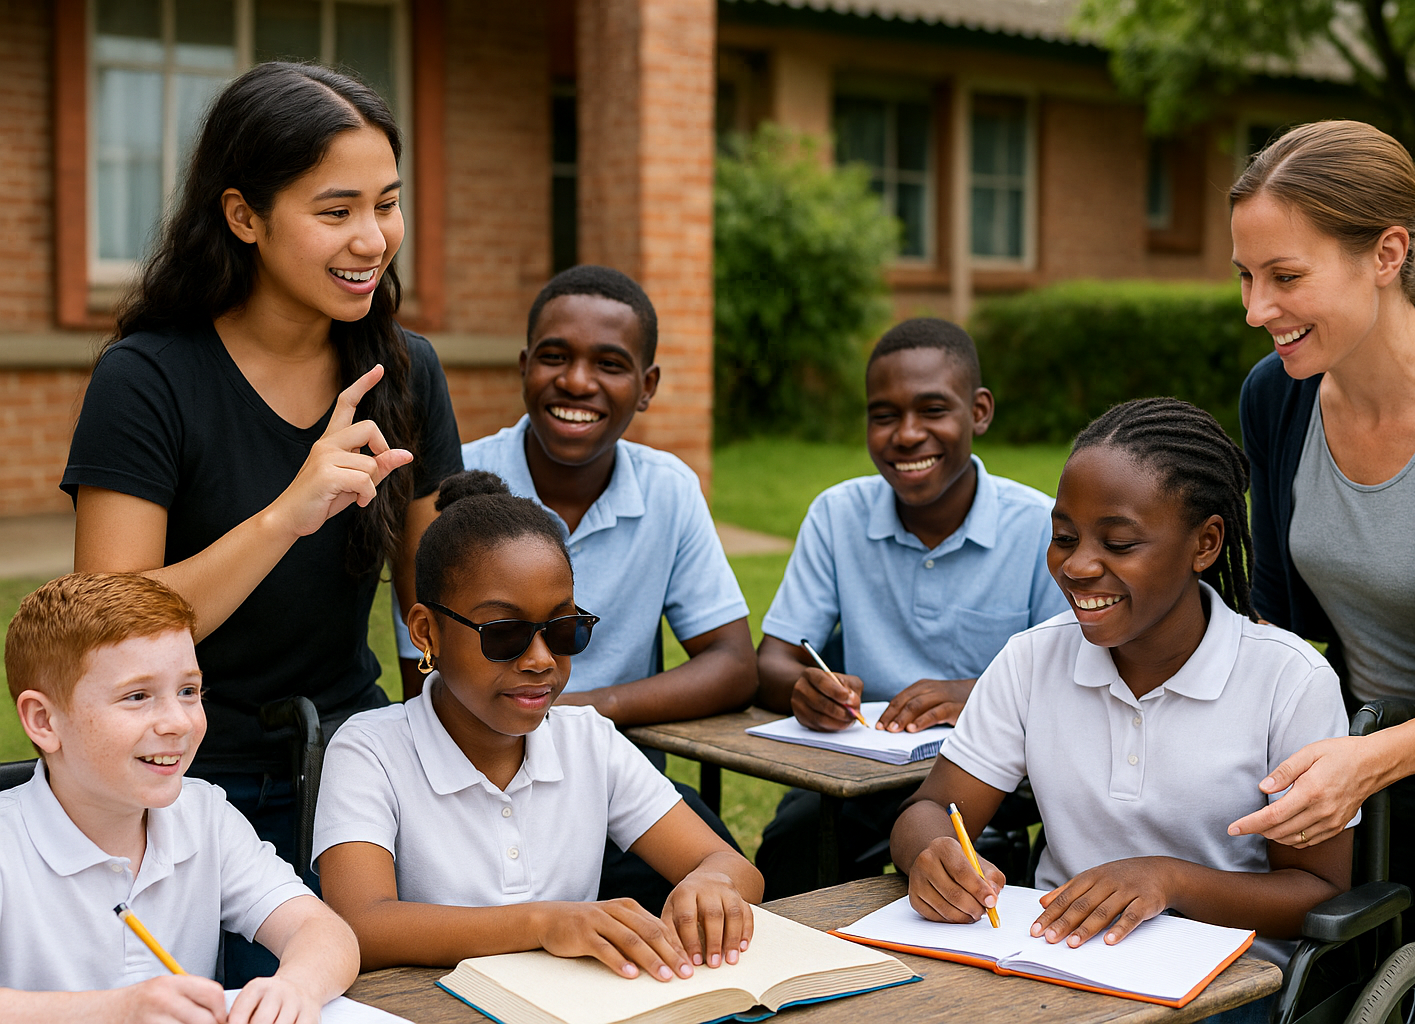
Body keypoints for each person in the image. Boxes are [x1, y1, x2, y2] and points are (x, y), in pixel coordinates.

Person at [60, 63, 462, 983]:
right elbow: (105, 630)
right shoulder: (148, 379)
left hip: (356, 766)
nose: (373, 239)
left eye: (388, 204)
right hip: (183, 783)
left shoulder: (407, 371)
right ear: (244, 216)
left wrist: (438, 751)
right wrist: (289, 512)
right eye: (336, 211)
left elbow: (432, 607)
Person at [891, 398, 1354, 1024]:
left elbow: (1318, 893)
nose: (1078, 565)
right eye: (1064, 538)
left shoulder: (1288, 681)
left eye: (1119, 542)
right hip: (1053, 962)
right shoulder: (1032, 660)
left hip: (1230, 984)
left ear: (1206, 543)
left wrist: (1170, 881)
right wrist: (933, 854)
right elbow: (928, 809)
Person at [1228, 120, 1415, 1022]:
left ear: (1387, 254)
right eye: (1246, 276)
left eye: (1285, 278)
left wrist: (1369, 762)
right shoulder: (1275, 398)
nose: (1256, 308)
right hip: (1349, 763)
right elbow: (1275, 622)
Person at [390, 264, 754, 911]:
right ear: (524, 365)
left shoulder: (668, 488)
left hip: (619, 788)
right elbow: (425, 676)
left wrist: (583, 708)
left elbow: (732, 664)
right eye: (555, 357)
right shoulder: (456, 488)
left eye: (609, 364)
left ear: (647, 388)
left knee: (722, 901)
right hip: (475, 792)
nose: (577, 381)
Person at [314, 472, 763, 978]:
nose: (540, 659)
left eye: (562, 629)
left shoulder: (588, 742)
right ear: (427, 632)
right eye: (504, 634)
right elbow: (360, 925)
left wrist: (711, 884)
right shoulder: (369, 751)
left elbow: (735, 868)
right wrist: (544, 923)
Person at [754, 318, 1066, 898]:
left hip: (992, 778)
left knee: (961, 874)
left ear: (979, 411)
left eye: (932, 410)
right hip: (857, 772)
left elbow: (1076, 678)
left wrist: (978, 693)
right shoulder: (837, 515)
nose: (906, 434)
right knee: (792, 850)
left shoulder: (1039, 528)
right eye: (884, 415)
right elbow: (771, 661)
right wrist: (803, 688)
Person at [0, 573, 359, 1024]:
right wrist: (118, 1011)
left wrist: (297, 987)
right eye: (137, 696)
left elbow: (321, 929)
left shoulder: (205, 815)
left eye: (189, 691)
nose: (178, 722)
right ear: (44, 721)